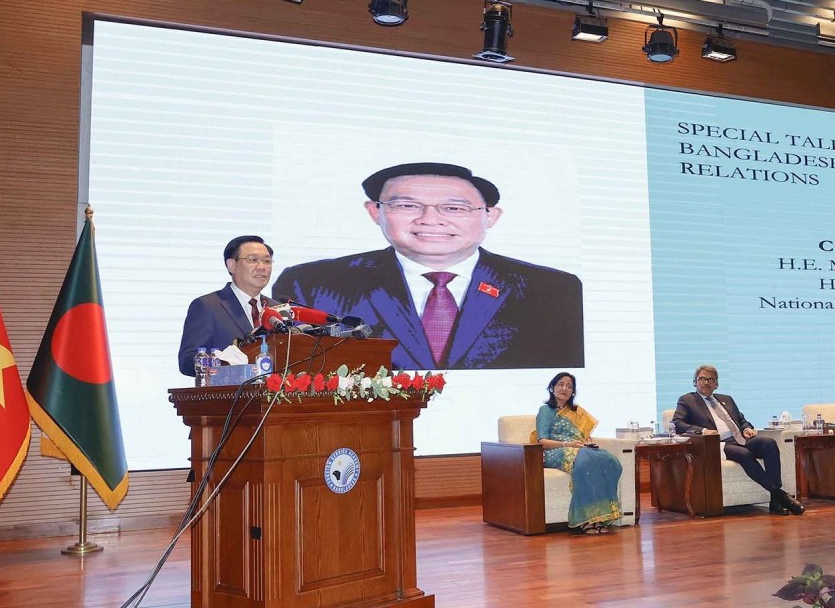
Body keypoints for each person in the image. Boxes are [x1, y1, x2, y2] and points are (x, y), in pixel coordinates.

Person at [273, 162, 584, 370]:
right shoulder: (312, 284)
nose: (430, 219)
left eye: (454, 207)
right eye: (407, 205)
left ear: (491, 216)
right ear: (374, 212)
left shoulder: (552, 290)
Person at [672, 364, 804, 516]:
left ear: (716, 384)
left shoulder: (726, 399)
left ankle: (775, 499)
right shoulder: (687, 400)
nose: (706, 382)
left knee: (769, 443)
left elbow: (741, 420)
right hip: (718, 444)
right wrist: (703, 431)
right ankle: (780, 495)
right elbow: (677, 423)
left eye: (710, 379)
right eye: (702, 378)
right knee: (744, 454)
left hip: (740, 439)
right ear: (695, 381)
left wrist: (747, 428)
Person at [535, 372, 623, 534]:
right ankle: (585, 519)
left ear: (573, 391)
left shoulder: (578, 412)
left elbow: (583, 436)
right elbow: (542, 442)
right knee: (585, 461)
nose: (564, 388)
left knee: (609, 460)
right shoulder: (546, 410)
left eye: (569, 386)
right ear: (552, 388)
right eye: (560, 384)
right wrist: (568, 444)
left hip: (580, 449)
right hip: (555, 450)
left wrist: (586, 442)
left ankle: (600, 518)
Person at [177, 235, 274, 376]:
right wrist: (224, 362)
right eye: (253, 260)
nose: (262, 267)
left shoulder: (277, 309)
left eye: (267, 261)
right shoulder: (207, 306)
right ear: (231, 265)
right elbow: (186, 361)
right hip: (229, 396)